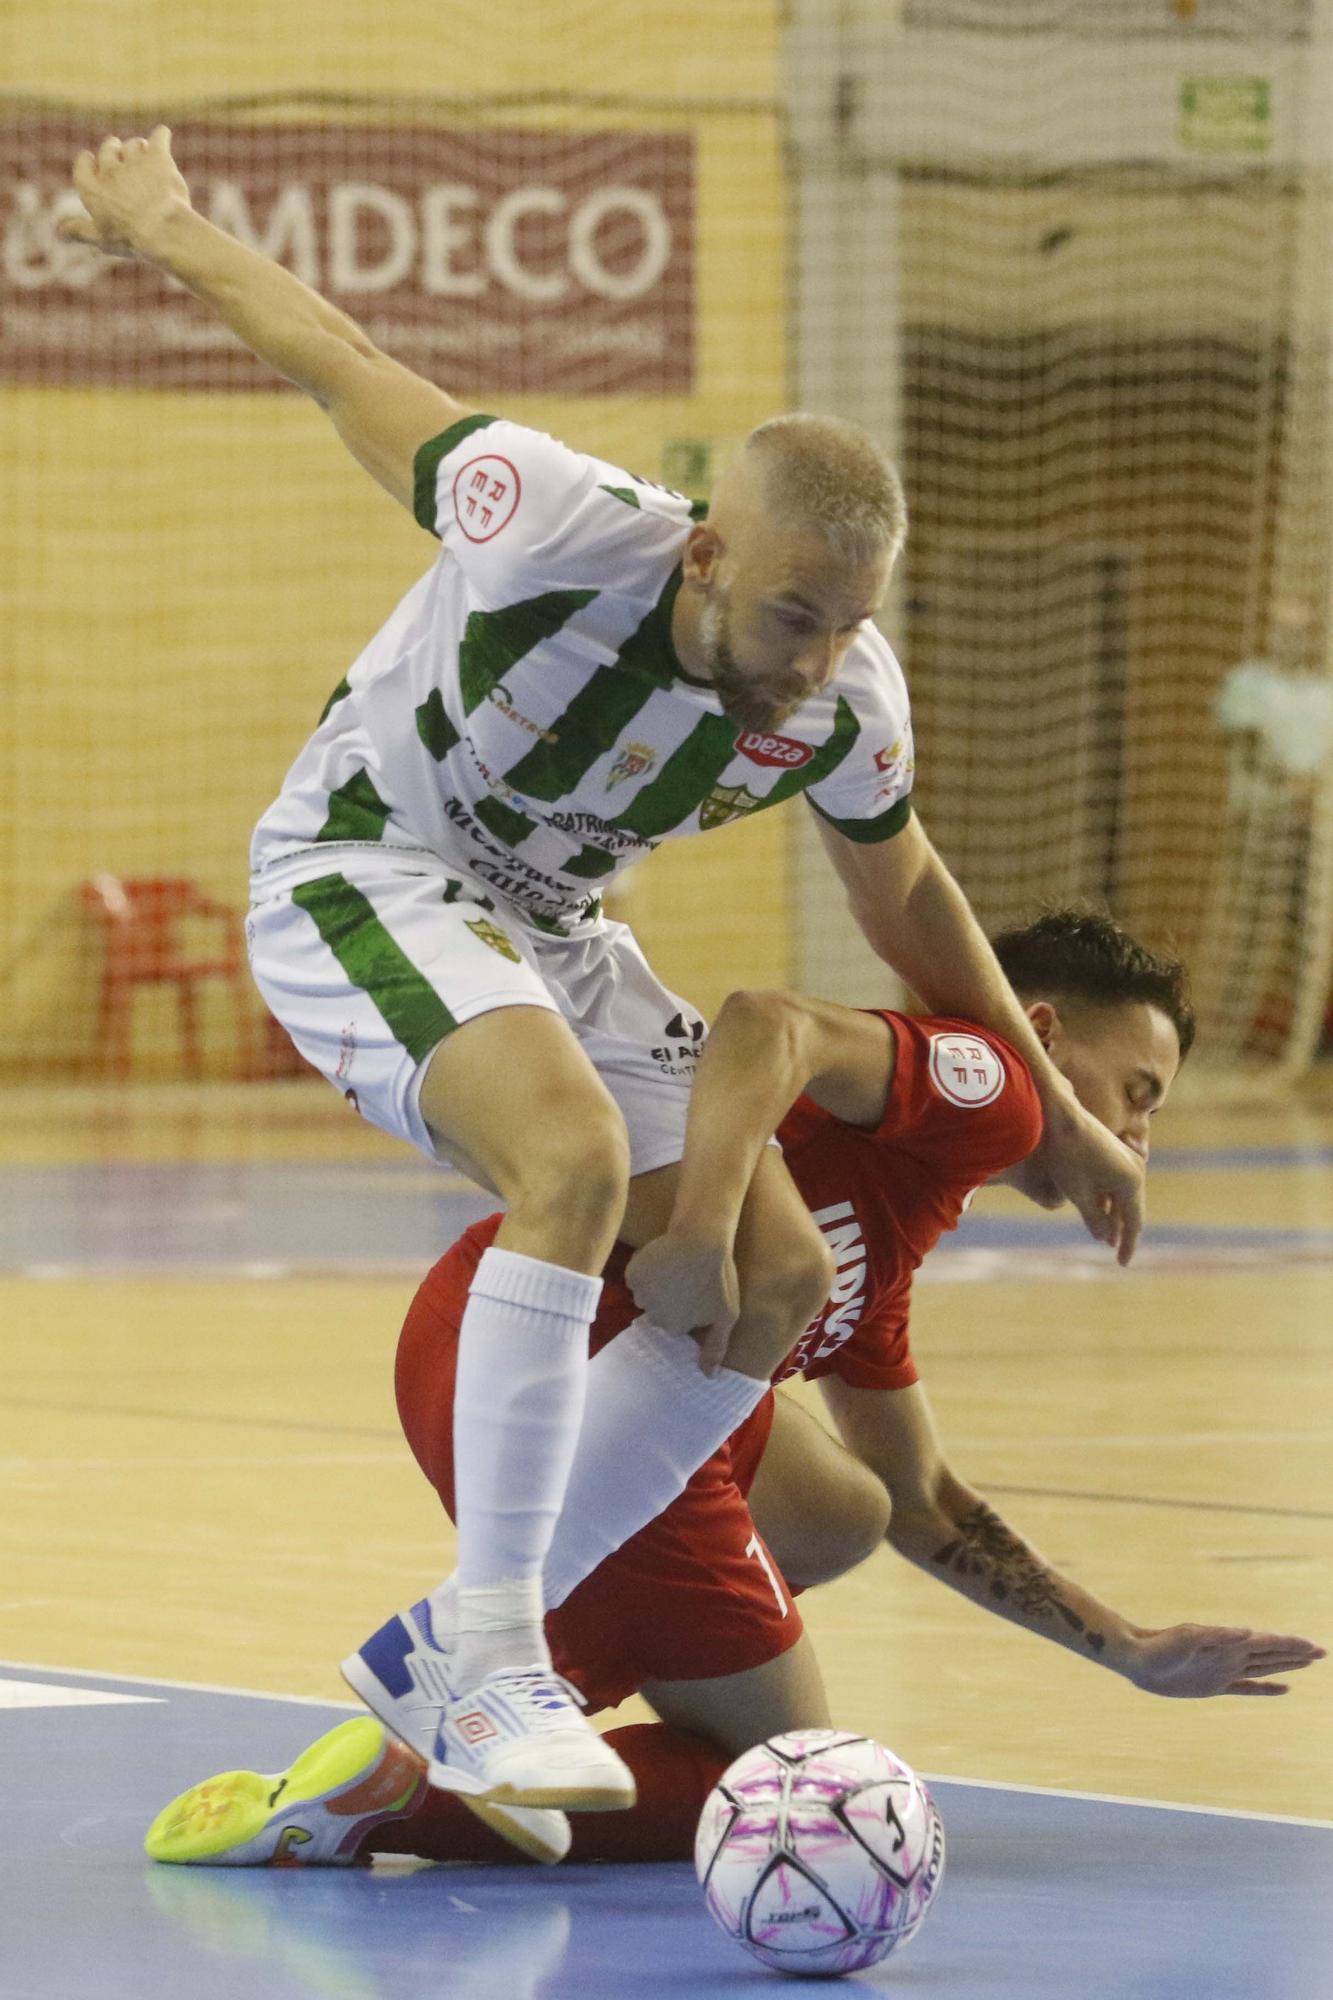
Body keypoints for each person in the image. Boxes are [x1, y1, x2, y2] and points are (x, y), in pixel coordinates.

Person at [63, 129, 1146, 1811]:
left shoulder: (846, 698)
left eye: (850, 623)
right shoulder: (548, 522)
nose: (818, 663)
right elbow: (341, 359)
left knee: (775, 1278)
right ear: (704, 557)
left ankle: (459, 1641)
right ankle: (495, 1656)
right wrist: (165, 225)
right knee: (567, 1159)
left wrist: (1058, 1112)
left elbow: (905, 888)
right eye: (793, 616)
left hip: (547, 929)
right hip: (367, 863)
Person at [143, 910, 1324, 1870]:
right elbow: (766, 1023)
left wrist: (1128, 1647)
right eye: (1138, 1090)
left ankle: (513, 1680)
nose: (1136, 1134)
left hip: (485, 1329)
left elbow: (922, 1499)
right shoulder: (996, 1087)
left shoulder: (897, 1223)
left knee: (845, 1506)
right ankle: (395, 1795)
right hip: (563, 1365)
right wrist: (707, 1224)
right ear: (1049, 1035)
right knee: (786, 1782)